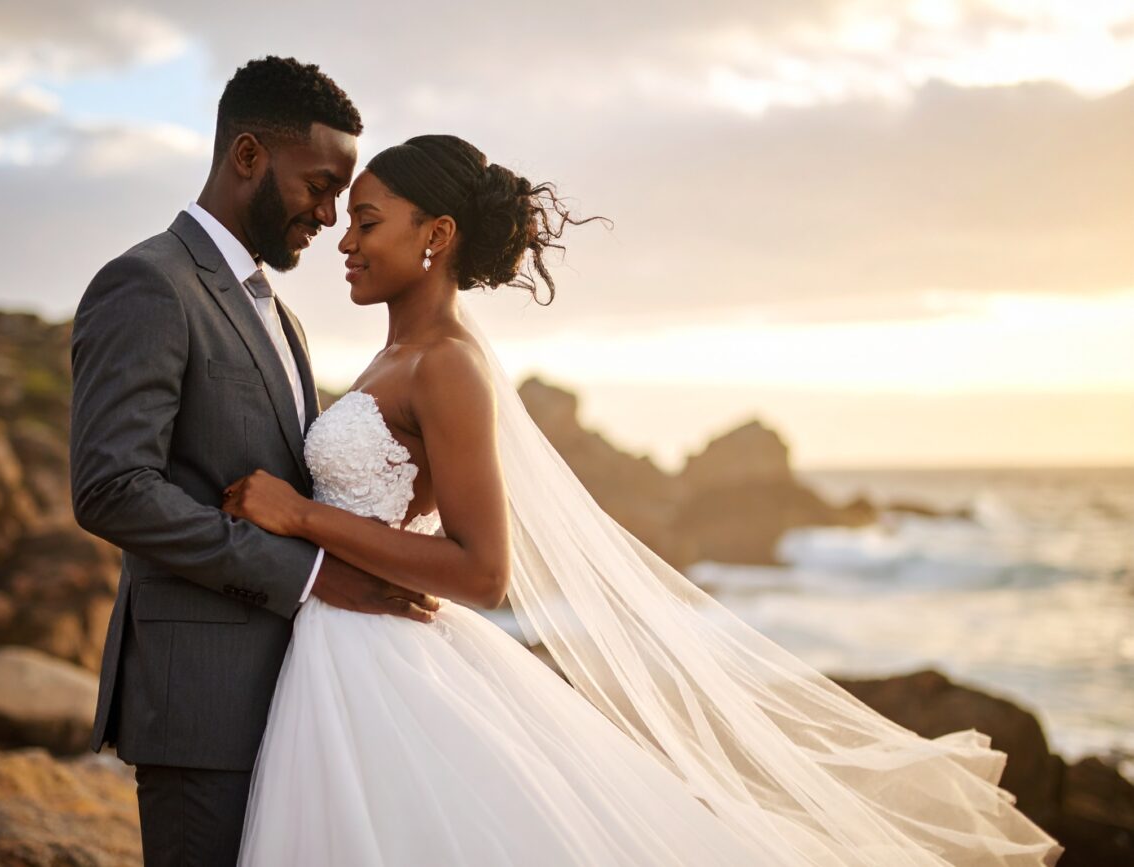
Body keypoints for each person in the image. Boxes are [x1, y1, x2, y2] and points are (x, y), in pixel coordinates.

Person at [222, 134, 1064, 865]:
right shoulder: (388, 359)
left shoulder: (446, 364)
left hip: (384, 666)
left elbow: (483, 570)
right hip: (338, 650)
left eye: (367, 222)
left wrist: (301, 516)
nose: (345, 242)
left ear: (436, 234)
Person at [69, 57, 440, 867]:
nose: (331, 214)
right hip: (200, 702)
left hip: (300, 694)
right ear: (247, 158)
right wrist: (306, 575)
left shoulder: (281, 315)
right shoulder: (148, 284)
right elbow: (111, 488)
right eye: (319, 184)